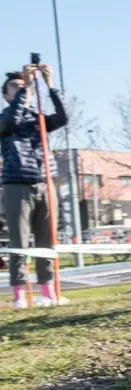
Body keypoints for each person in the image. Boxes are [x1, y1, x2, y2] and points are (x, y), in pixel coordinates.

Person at [1, 63, 69, 308]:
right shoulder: (5, 119)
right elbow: (11, 120)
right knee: (19, 242)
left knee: (46, 241)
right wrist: (27, 88)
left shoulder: (38, 119)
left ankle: (47, 292)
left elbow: (63, 117)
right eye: (15, 87)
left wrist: (50, 86)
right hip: (16, 185)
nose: (21, 89)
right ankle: (19, 295)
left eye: (24, 86)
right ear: (6, 94)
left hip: (44, 182)